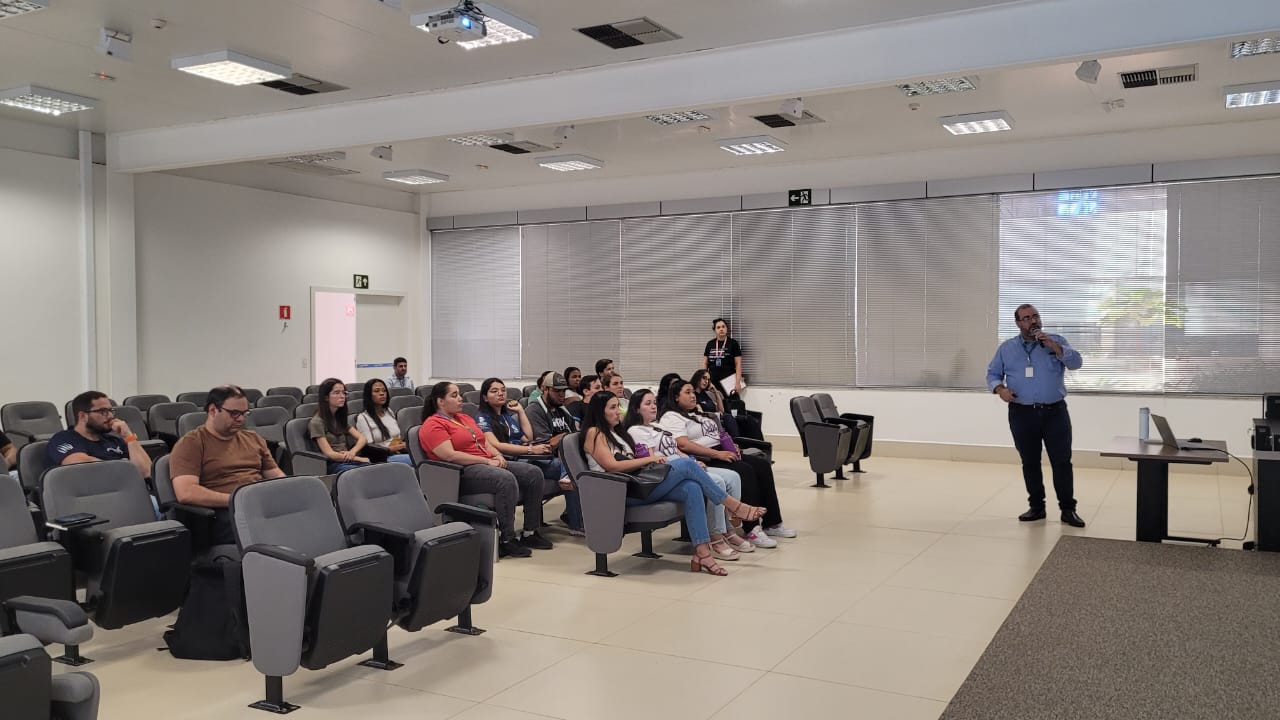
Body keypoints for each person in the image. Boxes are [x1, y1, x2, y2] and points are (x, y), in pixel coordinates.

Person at [580, 390, 765, 576]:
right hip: (619, 491)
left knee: (692, 488)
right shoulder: (594, 433)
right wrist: (649, 460)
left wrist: (647, 460)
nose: (618, 411)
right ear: (599, 411)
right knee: (686, 465)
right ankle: (734, 506)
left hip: (637, 484)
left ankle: (702, 553)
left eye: (618, 407)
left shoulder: (616, 432)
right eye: (612, 408)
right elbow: (612, 466)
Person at [419, 382, 553, 557]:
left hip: (485, 462)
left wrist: (497, 455)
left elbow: (485, 442)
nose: (460, 399)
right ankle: (507, 539)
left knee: (533, 473)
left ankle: (530, 532)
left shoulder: (464, 418)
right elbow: (450, 455)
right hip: (460, 471)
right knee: (504, 479)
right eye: (454, 395)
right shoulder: (433, 425)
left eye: (459, 394)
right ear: (440, 401)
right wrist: (486, 461)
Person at [658, 380, 794, 547]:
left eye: (693, 392)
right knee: (745, 470)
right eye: (687, 392)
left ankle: (772, 523)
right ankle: (752, 528)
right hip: (705, 457)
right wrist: (718, 453)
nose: (693, 396)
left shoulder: (696, 414)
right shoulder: (671, 417)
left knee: (762, 465)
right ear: (676, 397)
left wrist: (730, 445)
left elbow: (717, 434)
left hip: (721, 451)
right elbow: (683, 444)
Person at [625, 389, 755, 560]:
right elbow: (651, 460)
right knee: (717, 481)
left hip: (682, 464)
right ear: (636, 409)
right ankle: (717, 535)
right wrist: (686, 464)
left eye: (654, 403)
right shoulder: (636, 430)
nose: (653, 407)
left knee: (732, 477)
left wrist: (693, 461)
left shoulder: (658, 426)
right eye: (647, 404)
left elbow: (676, 450)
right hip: (666, 470)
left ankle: (729, 530)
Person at [987, 304, 1086, 527]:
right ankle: (1037, 507)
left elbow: (1076, 363)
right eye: (1027, 318)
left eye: (1035, 316)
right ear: (1018, 323)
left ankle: (1068, 510)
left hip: (1055, 412)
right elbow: (992, 374)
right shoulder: (1007, 348)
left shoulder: (1055, 340)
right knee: (1030, 462)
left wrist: (1055, 346)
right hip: (1022, 413)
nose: (1033, 321)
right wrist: (1000, 390)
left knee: (1062, 462)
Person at [170, 385, 285, 545]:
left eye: (244, 413)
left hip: (257, 506)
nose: (241, 419)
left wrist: (285, 493)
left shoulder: (253, 438)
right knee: (279, 530)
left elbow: (276, 475)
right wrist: (239, 499)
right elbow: (186, 492)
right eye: (234, 413)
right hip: (222, 513)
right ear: (213, 410)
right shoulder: (192, 443)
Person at [475, 377, 583, 536]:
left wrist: (520, 411)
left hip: (523, 455)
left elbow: (528, 436)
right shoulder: (482, 418)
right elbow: (495, 445)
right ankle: (576, 523)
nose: (500, 394)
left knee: (573, 466)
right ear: (485, 397)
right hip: (509, 459)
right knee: (565, 468)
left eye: (503, 390)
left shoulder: (506, 417)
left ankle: (577, 520)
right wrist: (531, 450)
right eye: (494, 391)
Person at [48, 390, 152, 481]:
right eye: (103, 411)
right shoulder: (63, 439)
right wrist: (128, 468)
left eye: (110, 411)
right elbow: (84, 466)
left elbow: (146, 472)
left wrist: (129, 436)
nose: (110, 416)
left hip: (129, 490)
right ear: (83, 416)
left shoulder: (114, 441)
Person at [309, 378, 370, 474]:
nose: (342, 396)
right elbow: (330, 454)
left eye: (343, 393)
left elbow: (362, 438)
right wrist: (358, 458)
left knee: (374, 470)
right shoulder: (317, 422)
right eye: (337, 393)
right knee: (363, 472)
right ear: (326, 397)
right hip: (333, 464)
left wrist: (352, 452)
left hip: (347, 460)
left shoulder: (339, 418)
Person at [690, 369, 763, 441]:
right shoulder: (693, 395)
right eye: (704, 378)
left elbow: (721, 410)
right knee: (729, 418)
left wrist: (716, 393)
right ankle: (737, 443)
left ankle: (760, 445)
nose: (706, 381)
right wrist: (716, 415)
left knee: (749, 419)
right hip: (714, 419)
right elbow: (700, 413)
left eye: (708, 380)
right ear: (697, 378)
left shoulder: (705, 394)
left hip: (721, 417)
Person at [354, 378, 413, 466]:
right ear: (369, 395)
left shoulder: (388, 411)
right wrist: (400, 446)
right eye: (377, 391)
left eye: (384, 390)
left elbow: (397, 436)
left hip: (398, 452)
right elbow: (369, 449)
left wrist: (403, 445)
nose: (382, 393)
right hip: (382, 457)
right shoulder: (363, 418)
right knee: (414, 459)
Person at [527, 372, 579, 453]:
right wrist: (566, 436)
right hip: (549, 455)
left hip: (567, 451)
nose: (562, 394)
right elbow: (545, 444)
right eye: (557, 390)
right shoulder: (534, 410)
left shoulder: (562, 409)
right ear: (545, 389)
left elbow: (574, 433)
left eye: (564, 390)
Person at [703, 318, 744, 396]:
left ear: (726, 328)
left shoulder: (733, 343)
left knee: (730, 402)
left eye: (723, 326)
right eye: (718, 327)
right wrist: (706, 381)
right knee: (715, 402)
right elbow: (705, 363)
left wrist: (738, 382)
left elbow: (738, 364)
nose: (721, 329)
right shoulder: (710, 344)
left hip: (729, 382)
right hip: (713, 381)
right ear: (714, 330)